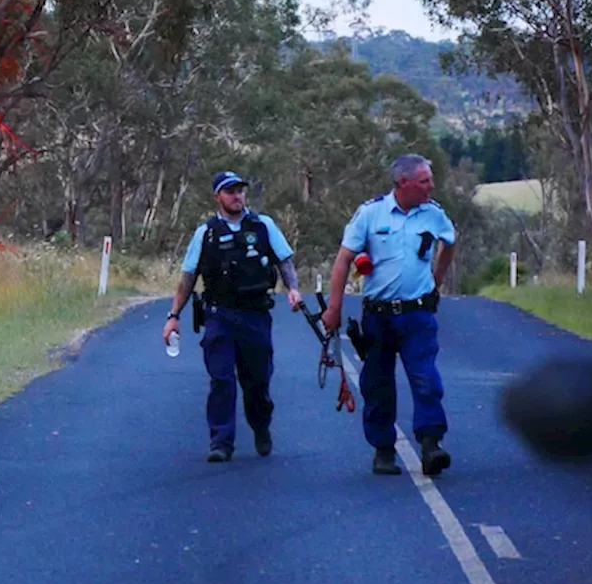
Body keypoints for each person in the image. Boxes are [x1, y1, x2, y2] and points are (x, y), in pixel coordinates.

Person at [321, 153, 457, 477]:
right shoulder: (370, 214)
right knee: (377, 383)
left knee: (425, 378)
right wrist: (334, 308)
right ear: (403, 183)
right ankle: (383, 450)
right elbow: (343, 260)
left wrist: (435, 282)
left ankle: (430, 444)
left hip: (417, 315)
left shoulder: (434, 214)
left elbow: (449, 243)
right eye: (424, 181)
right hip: (378, 317)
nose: (431, 186)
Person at [162, 171, 303, 462]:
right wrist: (173, 315)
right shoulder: (206, 233)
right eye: (230, 192)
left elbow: (284, 261)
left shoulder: (263, 226)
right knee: (221, 379)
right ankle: (221, 442)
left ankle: (261, 425)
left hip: (255, 316)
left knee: (258, 382)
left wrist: (293, 289)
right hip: (220, 315)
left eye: (239, 191)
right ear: (218, 197)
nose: (237, 196)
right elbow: (188, 277)